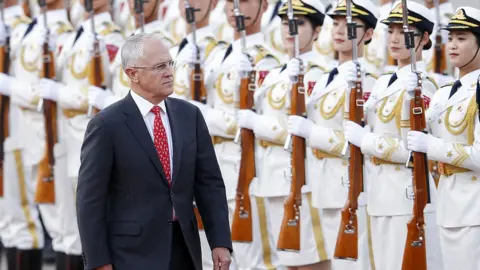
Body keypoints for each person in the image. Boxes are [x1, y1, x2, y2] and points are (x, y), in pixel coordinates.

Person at [76, 32, 233, 270]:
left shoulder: (189, 116)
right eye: (159, 66)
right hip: (130, 254)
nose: (169, 72)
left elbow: (209, 184)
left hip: (184, 250)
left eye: (170, 63)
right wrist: (98, 262)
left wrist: (220, 241)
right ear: (132, 74)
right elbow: (90, 201)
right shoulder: (107, 125)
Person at [344, 1, 443, 269]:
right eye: (391, 31)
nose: (396, 38)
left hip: (406, 194)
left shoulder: (425, 84)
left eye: (405, 31)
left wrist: (366, 141)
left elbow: (415, 150)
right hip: (378, 194)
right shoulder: (382, 81)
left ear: (423, 39)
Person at [236, 0, 329, 269]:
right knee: (286, 262)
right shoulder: (274, 74)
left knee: (312, 261)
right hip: (271, 178)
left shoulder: (320, 74)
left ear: (317, 30)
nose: (290, 29)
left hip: (303, 180)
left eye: (299, 23)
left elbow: (306, 129)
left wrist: (258, 124)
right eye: (285, 22)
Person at [190, 0, 280, 268]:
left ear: (264, 6)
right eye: (230, 1)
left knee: (251, 257)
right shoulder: (217, 55)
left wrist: (206, 116)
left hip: (243, 164)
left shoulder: (267, 60)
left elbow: (257, 122)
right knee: (210, 255)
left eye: (245, 1)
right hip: (211, 161)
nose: (235, 7)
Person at [289, 0, 378, 269]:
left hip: (350, 186)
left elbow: (359, 141)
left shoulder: (369, 79)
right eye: (336, 23)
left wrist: (311, 133)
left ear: (369, 34)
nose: (340, 30)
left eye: (350, 25)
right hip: (323, 185)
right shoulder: (327, 76)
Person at [407, 6, 480, 270]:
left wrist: (433, 147)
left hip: (474, 209)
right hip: (445, 205)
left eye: (462, 38)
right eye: (451, 38)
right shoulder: (443, 92)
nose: (453, 45)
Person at [0, 0, 32, 268]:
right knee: (7, 222)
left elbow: (35, 90)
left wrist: (7, 84)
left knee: (22, 221)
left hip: (17, 133)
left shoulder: (22, 30)